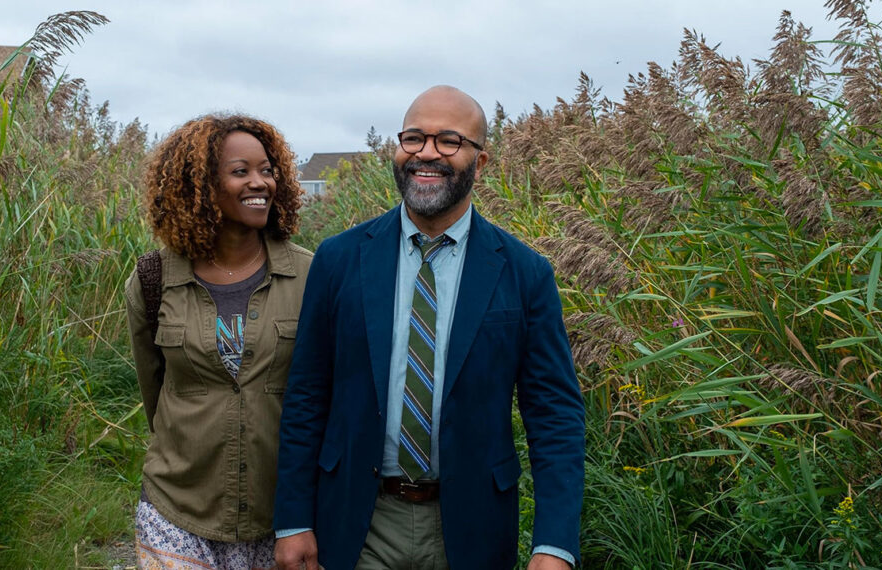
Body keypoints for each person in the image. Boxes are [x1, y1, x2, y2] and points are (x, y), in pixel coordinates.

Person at [273, 86, 585, 570]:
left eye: (449, 141)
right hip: (360, 516)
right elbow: (306, 395)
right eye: (414, 138)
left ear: (480, 163)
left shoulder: (524, 273)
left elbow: (555, 416)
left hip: (470, 524)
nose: (426, 153)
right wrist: (294, 520)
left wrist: (554, 545)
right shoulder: (339, 259)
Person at [125, 114, 312, 570]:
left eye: (267, 170)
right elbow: (156, 392)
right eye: (240, 171)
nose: (260, 182)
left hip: (281, 518)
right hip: (177, 507)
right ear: (200, 186)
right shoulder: (153, 280)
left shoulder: (312, 276)